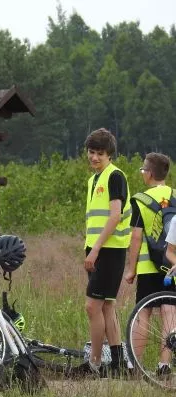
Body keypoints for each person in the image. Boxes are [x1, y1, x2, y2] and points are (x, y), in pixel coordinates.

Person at [74, 128, 131, 377]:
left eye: (100, 153)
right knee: (107, 305)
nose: (94, 157)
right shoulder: (94, 179)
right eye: (91, 152)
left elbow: (115, 215)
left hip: (109, 249)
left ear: (109, 154)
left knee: (92, 307)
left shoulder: (114, 176)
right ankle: (117, 363)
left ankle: (95, 364)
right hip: (98, 248)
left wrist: (95, 249)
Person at [124, 153, 174, 377]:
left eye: (143, 170)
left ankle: (135, 366)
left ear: (150, 173)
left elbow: (136, 237)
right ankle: (165, 365)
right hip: (172, 264)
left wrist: (131, 268)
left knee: (143, 312)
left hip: (148, 266)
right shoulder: (175, 195)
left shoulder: (141, 200)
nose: (142, 173)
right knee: (170, 311)